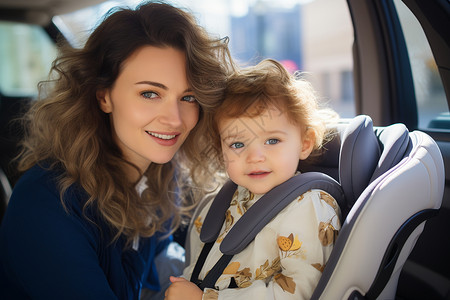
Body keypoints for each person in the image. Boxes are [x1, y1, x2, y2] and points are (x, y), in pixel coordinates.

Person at [0, 2, 234, 300]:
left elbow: (157, 270)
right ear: (103, 96)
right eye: (150, 93)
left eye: (188, 97)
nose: (175, 119)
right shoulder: (47, 204)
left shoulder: (161, 178)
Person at [165, 59, 342, 300]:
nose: (255, 157)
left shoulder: (308, 207)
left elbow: (301, 292)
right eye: (237, 144)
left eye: (272, 141)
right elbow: (198, 267)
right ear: (221, 151)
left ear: (305, 143)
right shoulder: (217, 204)